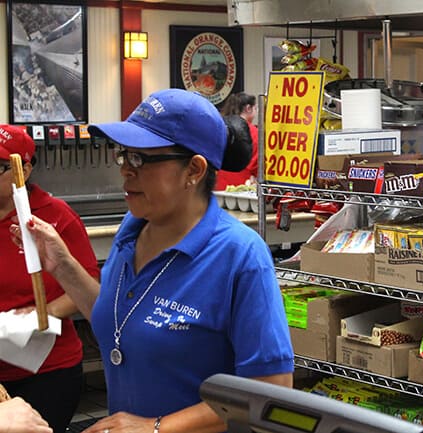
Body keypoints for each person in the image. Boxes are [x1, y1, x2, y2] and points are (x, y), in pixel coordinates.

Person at [11, 89, 294, 433]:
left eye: (141, 160)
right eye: (124, 156)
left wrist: (157, 427)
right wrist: (63, 266)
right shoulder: (132, 232)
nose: (126, 171)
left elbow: (272, 392)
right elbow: (116, 322)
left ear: (194, 169)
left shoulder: (239, 256)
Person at [0, 125, 100, 433]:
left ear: (24, 169)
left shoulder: (53, 216)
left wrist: (37, 315)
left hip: (47, 367)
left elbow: (89, 288)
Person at [215, 92, 259, 190]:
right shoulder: (253, 131)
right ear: (248, 108)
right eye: (255, 108)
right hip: (241, 189)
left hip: (216, 185)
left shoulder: (218, 126)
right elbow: (256, 164)